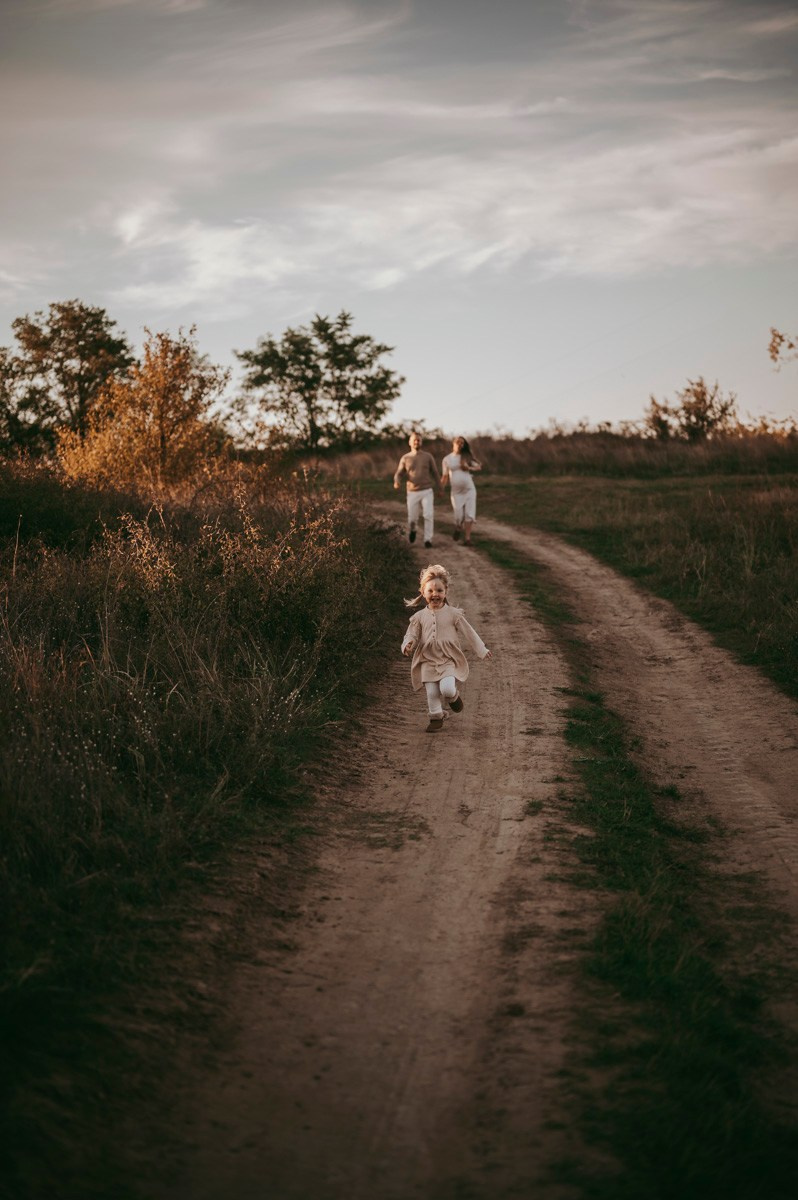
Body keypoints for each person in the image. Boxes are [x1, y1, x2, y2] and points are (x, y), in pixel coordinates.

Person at [401, 563, 492, 733]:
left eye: (439, 591)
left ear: (446, 592)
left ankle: (454, 697)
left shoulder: (453, 614)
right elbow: (411, 634)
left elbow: (469, 632)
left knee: (447, 688)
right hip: (427, 660)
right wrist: (407, 644)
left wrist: (482, 649)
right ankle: (436, 718)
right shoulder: (419, 617)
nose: (435, 594)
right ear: (422, 592)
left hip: (448, 659)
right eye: (430, 591)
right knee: (432, 693)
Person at [393, 431, 441, 548]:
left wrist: (440, 487)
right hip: (412, 492)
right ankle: (413, 530)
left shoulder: (428, 456)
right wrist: (397, 481)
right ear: (410, 442)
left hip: (427, 490)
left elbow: (435, 472)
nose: (416, 442)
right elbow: (399, 473)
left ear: (421, 442)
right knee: (412, 518)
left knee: (428, 514)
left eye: (418, 440)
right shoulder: (405, 458)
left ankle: (428, 540)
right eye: (414, 440)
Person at [441, 436, 482, 546]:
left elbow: (479, 467)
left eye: (462, 443)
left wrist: (468, 467)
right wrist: (441, 488)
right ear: (453, 444)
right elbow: (445, 476)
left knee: (469, 514)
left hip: (469, 489)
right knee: (458, 516)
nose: (460, 444)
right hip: (456, 492)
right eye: (458, 442)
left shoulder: (466, 457)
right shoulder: (447, 459)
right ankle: (458, 527)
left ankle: (467, 539)